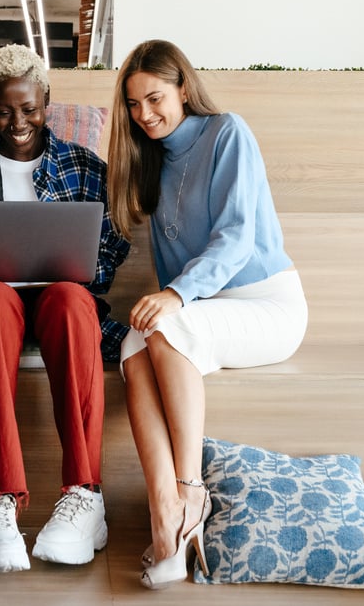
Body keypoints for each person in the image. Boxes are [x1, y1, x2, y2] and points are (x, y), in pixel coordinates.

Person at [108, 39, 308, 589]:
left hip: (268, 303)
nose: (144, 115)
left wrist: (175, 295)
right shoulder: (152, 159)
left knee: (166, 326)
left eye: (155, 98)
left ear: (182, 89)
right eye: (133, 104)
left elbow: (238, 238)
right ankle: (163, 510)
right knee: (131, 344)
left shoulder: (227, 132)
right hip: (210, 311)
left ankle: (191, 491)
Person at [0, 44, 130, 573]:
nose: (16, 121)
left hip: (63, 297)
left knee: (71, 299)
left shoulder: (85, 165)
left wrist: (83, 267)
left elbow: (110, 245)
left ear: (47, 100)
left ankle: (86, 496)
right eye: (2, 109)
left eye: (29, 108)